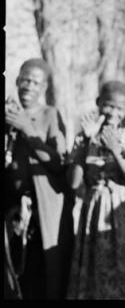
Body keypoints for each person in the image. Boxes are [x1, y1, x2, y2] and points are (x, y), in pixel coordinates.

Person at [66, 81, 125, 299]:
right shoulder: (84, 136)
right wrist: (85, 140)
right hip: (93, 212)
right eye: (109, 106)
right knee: (93, 274)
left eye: (120, 108)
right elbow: (73, 183)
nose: (114, 112)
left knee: (124, 270)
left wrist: (115, 150)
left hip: (123, 214)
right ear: (98, 103)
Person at [4, 58, 73, 299]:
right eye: (25, 80)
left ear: (43, 88)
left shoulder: (51, 115)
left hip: (43, 212)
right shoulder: (8, 112)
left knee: (42, 274)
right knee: (13, 275)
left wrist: (27, 128)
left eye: (35, 82)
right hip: (12, 211)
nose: (28, 86)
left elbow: (58, 163)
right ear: (16, 80)